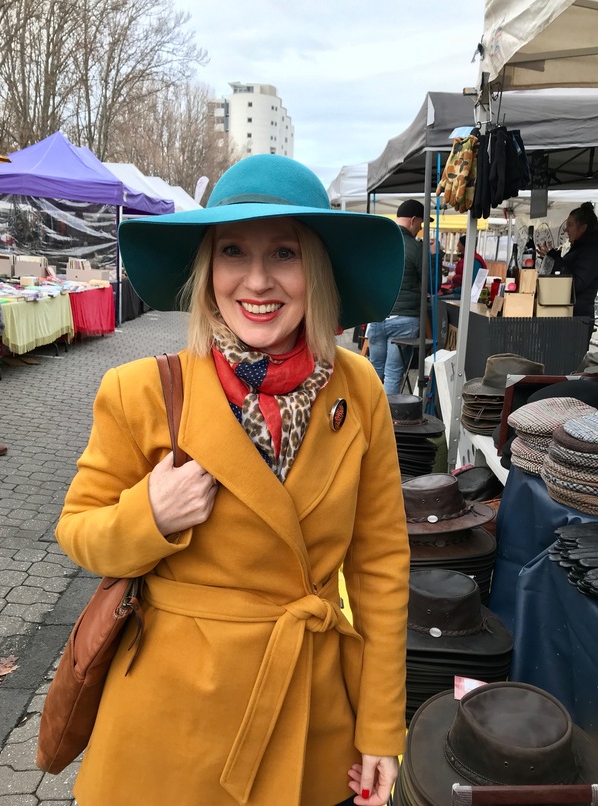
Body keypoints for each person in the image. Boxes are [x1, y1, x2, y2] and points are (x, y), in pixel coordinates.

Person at [55, 155, 411, 806]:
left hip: (308, 714)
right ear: (206, 268)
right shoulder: (136, 391)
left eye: (283, 252)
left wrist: (380, 727)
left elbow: (380, 568)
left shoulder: (358, 390)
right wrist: (149, 517)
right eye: (232, 251)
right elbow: (79, 534)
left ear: (316, 269)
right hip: (169, 730)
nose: (256, 280)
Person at [366, 198, 437, 394]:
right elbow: (432, 284)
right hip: (405, 320)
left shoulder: (378, 244)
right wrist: (432, 254)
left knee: (372, 372)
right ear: (413, 220)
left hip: (377, 317)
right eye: (421, 223)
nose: (420, 228)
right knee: (393, 372)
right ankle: (387, 420)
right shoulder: (416, 248)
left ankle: (368, 415)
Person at [539, 201, 598, 324]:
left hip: (578, 320)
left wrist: (555, 260)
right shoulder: (579, 249)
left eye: (570, 225)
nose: (566, 229)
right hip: (569, 317)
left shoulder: (591, 253)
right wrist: (551, 260)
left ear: (583, 228)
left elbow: (575, 284)